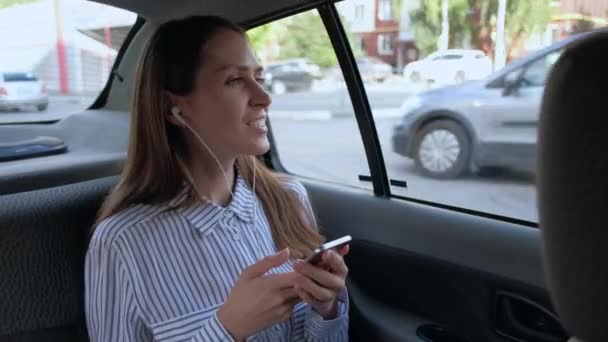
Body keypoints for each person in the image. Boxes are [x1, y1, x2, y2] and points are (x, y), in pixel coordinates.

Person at [84, 15, 350, 342]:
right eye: (235, 80)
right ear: (173, 108)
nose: (264, 97)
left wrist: (325, 309)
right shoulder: (123, 242)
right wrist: (227, 330)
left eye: (258, 76)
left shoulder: (290, 198)